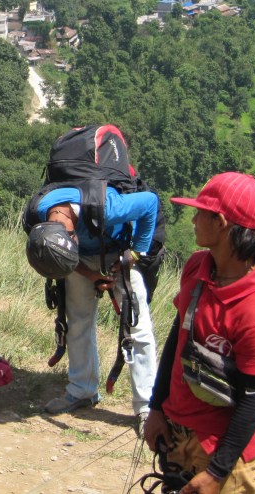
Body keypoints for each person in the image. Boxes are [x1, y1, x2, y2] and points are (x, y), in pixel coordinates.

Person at [144, 173, 255, 494]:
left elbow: (253, 401)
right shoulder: (198, 267)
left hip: (225, 457)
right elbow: (176, 342)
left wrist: (217, 473)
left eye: (200, 212)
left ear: (220, 223)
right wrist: (156, 407)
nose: (193, 219)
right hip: (178, 435)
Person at [36, 183, 159, 434]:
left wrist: (134, 254)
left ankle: (147, 406)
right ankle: (82, 390)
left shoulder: (109, 208)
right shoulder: (39, 214)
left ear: (72, 235)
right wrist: (88, 273)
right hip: (78, 258)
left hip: (118, 253)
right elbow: (58, 255)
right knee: (77, 322)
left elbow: (150, 203)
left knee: (137, 328)